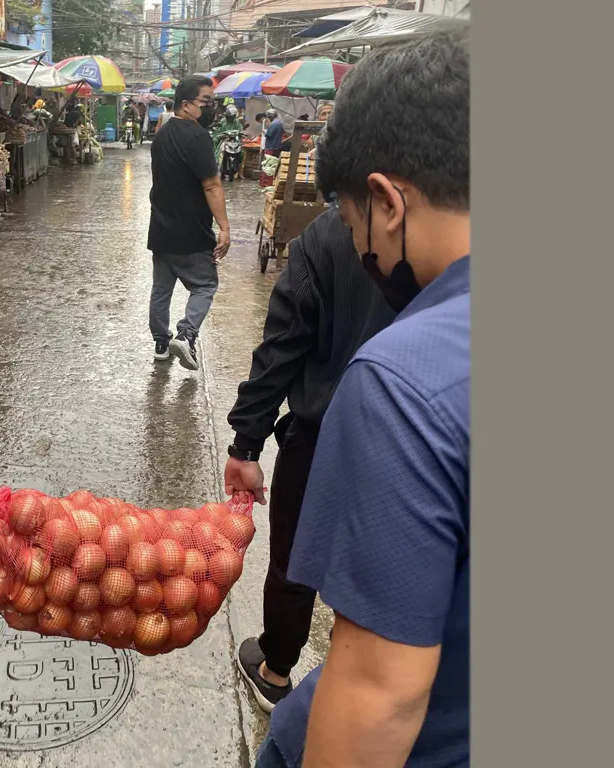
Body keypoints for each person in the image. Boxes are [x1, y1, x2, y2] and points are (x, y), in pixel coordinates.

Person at [254, 30, 470, 768]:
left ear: (385, 202)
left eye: (355, 229)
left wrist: (246, 438)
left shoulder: (401, 384)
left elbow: (383, 697)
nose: (367, 256)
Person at [226, 208, 396, 713]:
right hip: (407, 442)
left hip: (322, 439)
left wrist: (246, 444)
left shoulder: (327, 233)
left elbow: (282, 347)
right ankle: (366, 685)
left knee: (297, 561)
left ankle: (275, 668)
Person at [147, 75, 231, 371]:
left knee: (161, 289)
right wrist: (224, 227)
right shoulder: (198, 138)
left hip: (160, 228)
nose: (213, 108)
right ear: (186, 105)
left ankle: (160, 343)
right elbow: (211, 185)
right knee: (206, 284)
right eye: (206, 102)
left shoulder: (162, 134)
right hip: (191, 231)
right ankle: (186, 334)